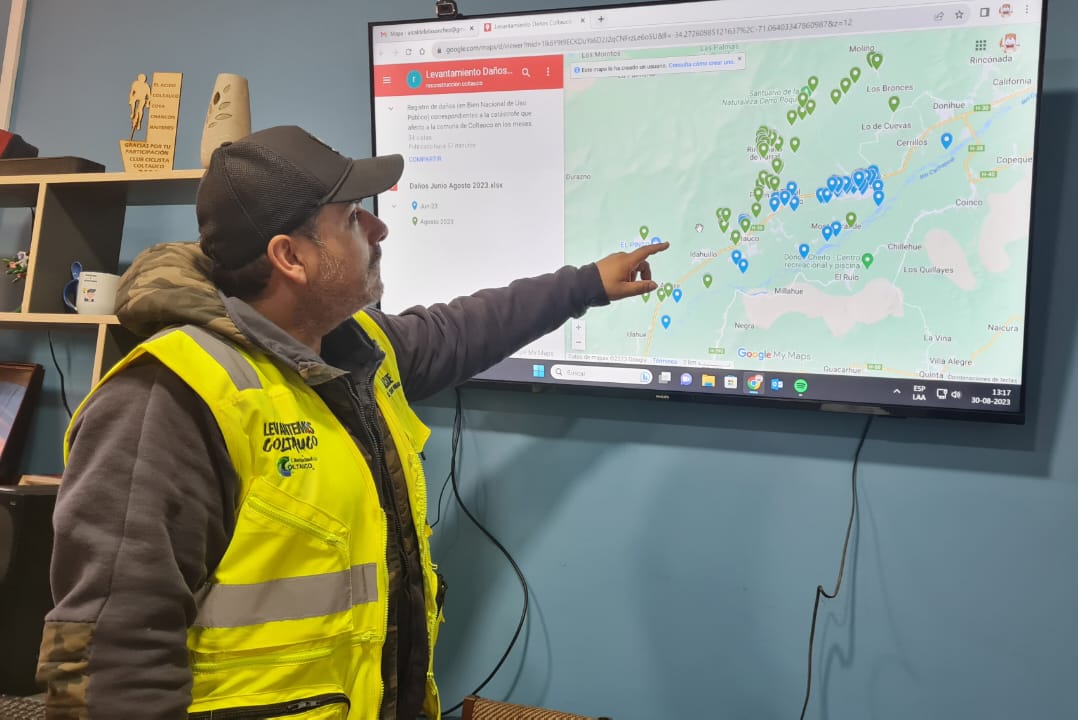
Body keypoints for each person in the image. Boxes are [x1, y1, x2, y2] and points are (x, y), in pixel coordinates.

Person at [35, 125, 668, 720]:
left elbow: (464, 328)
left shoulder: (354, 348)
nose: (379, 228)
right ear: (290, 256)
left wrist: (584, 284)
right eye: (352, 219)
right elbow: (110, 655)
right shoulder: (170, 399)